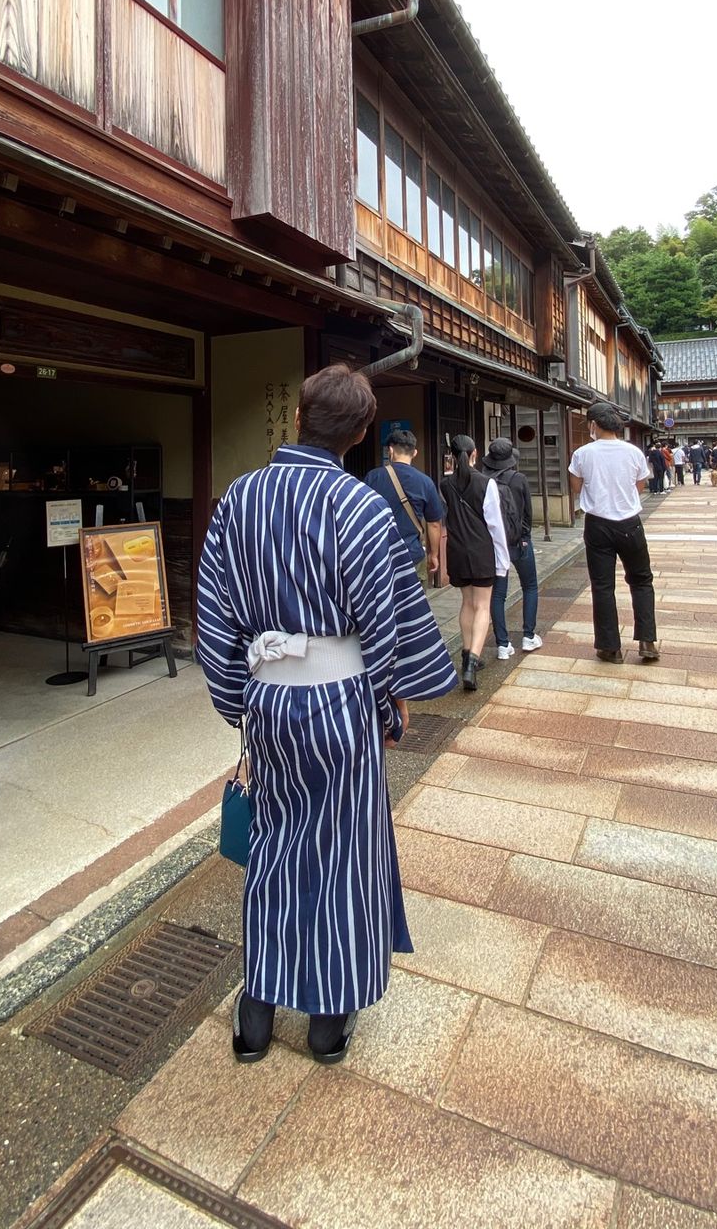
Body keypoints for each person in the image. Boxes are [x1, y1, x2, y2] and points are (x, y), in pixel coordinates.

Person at [195, 364, 459, 1065]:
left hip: (270, 697)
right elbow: (387, 626)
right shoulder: (361, 507)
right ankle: (324, 1022)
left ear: (298, 418)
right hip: (341, 700)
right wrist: (390, 709)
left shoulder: (238, 500)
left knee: (274, 849)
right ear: (363, 432)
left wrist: (240, 705)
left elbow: (216, 620)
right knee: (343, 853)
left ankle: (255, 1016)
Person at [568, 403, 658, 664]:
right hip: (629, 522)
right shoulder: (633, 452)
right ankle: (647, 640)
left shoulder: (582, 453)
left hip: (597, 524)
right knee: (641, 580)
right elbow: (640, 485)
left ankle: (609, 647)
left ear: (594, 424)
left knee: (603, 586)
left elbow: (575, 487)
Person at [440, 434, 510, 690]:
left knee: (467, 603)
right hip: (481, 551)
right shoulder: (486, 483)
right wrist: (503, 561)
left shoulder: (445, 485)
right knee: (482, 607)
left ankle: (467, 652)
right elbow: (495, 526)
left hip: (457, 550)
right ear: (474, 454)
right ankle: (472, 662)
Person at [483, 437, 542, 659]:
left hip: (496, 544)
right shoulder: (519, 479)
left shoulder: (483, 480)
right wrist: (525, 536)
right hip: (519, 541)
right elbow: (528, 513)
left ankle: (502, 644)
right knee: (530, 586)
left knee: (498, 595)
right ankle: (528, 636)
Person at [365, 427, 444, 588]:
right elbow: (434, 523)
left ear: (390, 450)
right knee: (414, 609)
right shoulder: (425, 482)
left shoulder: (373, 477)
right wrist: (433, 554)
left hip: (380, 555)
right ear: (414, 453)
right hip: (412, 554)